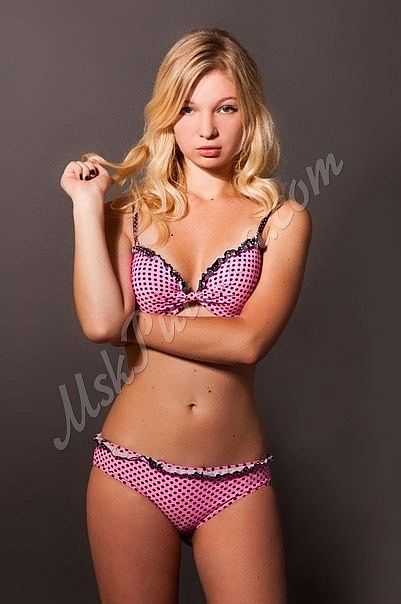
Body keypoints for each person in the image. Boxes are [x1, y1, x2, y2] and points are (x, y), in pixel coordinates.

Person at [60, 26, 311, 604]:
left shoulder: (283, 220)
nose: (206, 129)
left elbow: (248, 341)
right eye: (189, 109)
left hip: (236, 480)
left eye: (226, 108)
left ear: (251, 114)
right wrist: (86, 207)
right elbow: (98, 322)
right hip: (132, 469)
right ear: (168, 116)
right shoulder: (126, 215)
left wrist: (134, 324)